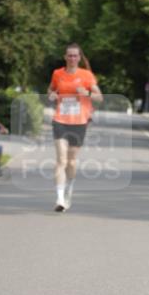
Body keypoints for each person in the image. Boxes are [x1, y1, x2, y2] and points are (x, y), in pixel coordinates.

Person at [47, 43, 102, 212]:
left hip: (79, 122)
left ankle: (69, 187)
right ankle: (60, 198)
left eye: (75, 56)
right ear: (65, 57)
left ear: (79, 58)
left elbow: (99, 97)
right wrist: (52, 95)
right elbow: (50, 90)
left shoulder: (86, 75)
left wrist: (87, 93)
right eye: (69, 55)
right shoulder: (58, 74)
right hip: (60, 120)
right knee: (61, 160)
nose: (72, 58)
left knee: (71, 161)